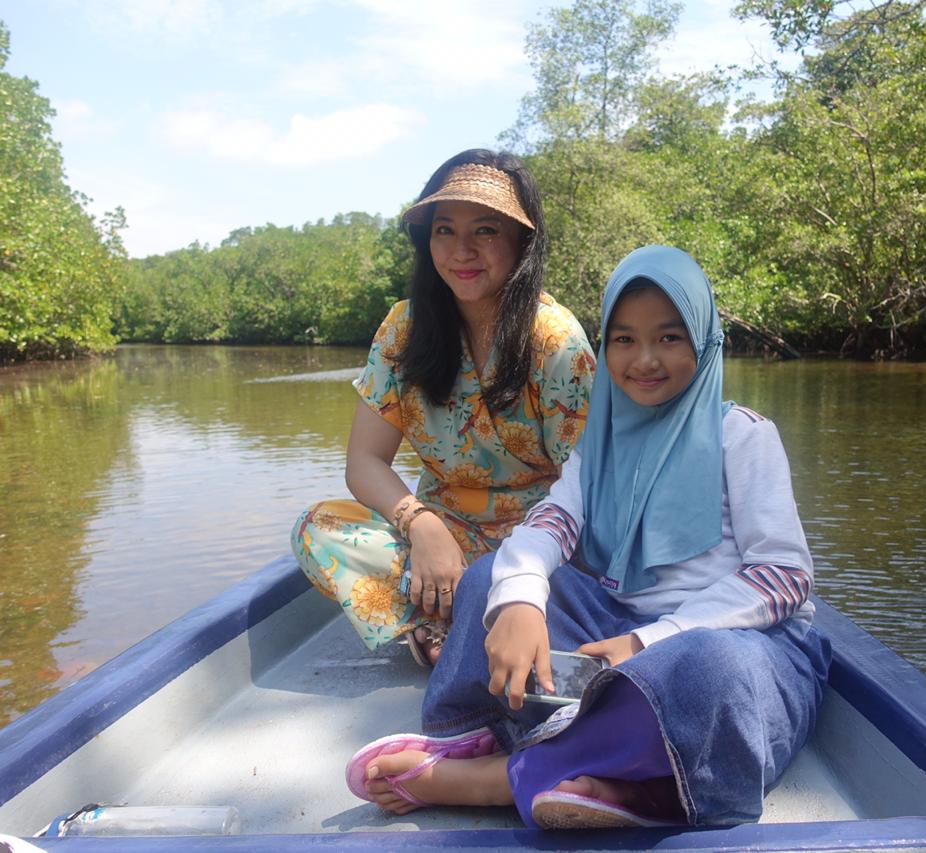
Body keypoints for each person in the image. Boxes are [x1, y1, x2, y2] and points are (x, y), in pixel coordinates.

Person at [344, 245, 831, 829]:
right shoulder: (602, 444)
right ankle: (488, 742)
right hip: (619, 632)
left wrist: (652, 642)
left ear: (703, 340)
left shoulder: (743, 436)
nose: (644, 359)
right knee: (490, 579)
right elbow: (551, 524)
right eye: (623, 340)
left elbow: (784, 578)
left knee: (705, 670)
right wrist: (522, 597)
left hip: (738, 645)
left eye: (669, 338)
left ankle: (503, 779)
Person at [292, 150, 595, 665]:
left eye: (485, 231)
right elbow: (364, 461)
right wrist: (422, 526)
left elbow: (584, 485)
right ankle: (436, 621)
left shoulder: (555, 342)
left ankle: (461, 621)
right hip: (438, 534)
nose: (462, 251)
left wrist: (524, 565)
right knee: (315, 528)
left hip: (538, 542)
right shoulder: (402, 330)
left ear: (523, 241)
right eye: (444, 230)